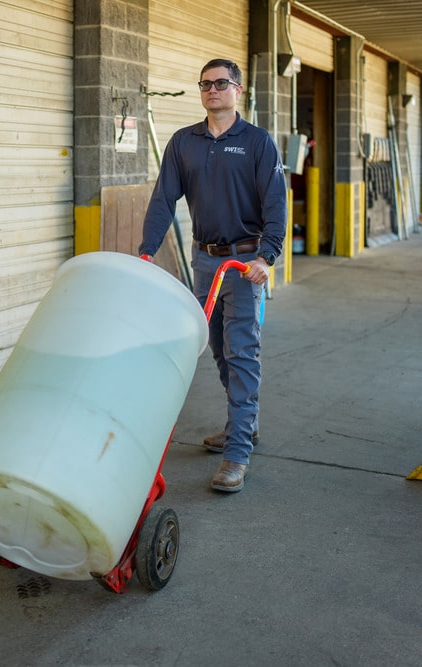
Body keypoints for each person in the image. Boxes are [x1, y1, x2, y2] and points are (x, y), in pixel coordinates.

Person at [139, 58, 287, 494]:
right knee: (218, 349)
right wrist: (147, 251)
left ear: (238, 90)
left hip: (243, 265)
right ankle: (246, 423)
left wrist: (268, 256)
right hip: (205, 262)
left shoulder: (258, 143)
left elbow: (276, 204)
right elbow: (163, 199)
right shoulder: (185, 142)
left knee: (241, 352)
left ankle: (237, 452)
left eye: (221, 83)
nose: (212, 90)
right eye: (205, 84)